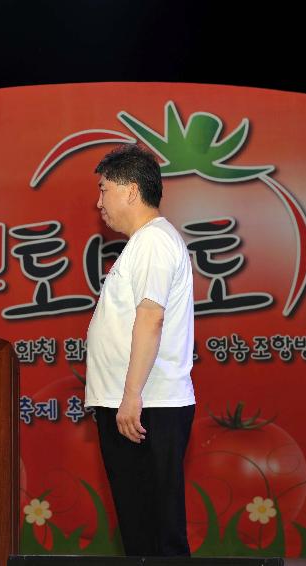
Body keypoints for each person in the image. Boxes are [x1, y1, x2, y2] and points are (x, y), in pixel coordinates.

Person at [85, 145, 196, 556]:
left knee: (155, 533)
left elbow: (151, 319)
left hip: (148, 405)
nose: (99, 203)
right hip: (136, 404)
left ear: (131, 190)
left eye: (104, 190)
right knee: (139, 528)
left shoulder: (153, 242)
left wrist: (131, 396)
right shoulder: (143, 243)